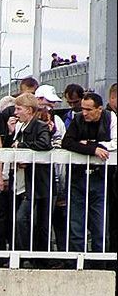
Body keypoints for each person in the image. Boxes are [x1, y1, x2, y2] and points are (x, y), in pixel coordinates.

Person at [62, 91, 117, 254]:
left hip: (100, 178)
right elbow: (67, 142)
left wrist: (90, 144)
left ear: (99, 109)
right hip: (78, 177)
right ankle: (77, 262)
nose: (84, 113)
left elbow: (115, 143)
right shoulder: (78, 119)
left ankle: (99, 263)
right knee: (76, 226)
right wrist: (93, 149)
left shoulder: (111, 118)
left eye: (88, 109)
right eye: (83, 108)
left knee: (100, 227)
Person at [3, 92, 53, 254]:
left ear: (29, 110)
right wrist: (11, 133)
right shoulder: (20, 127)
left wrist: (22, 147)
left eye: (19, 109)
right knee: (20, 220)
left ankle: (26, 254)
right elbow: (11, 147)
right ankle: (23, 254)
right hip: (20, 181)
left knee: (23, 219)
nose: (15, 112)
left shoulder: (40, 126)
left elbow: (45, 144)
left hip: (34, 182)